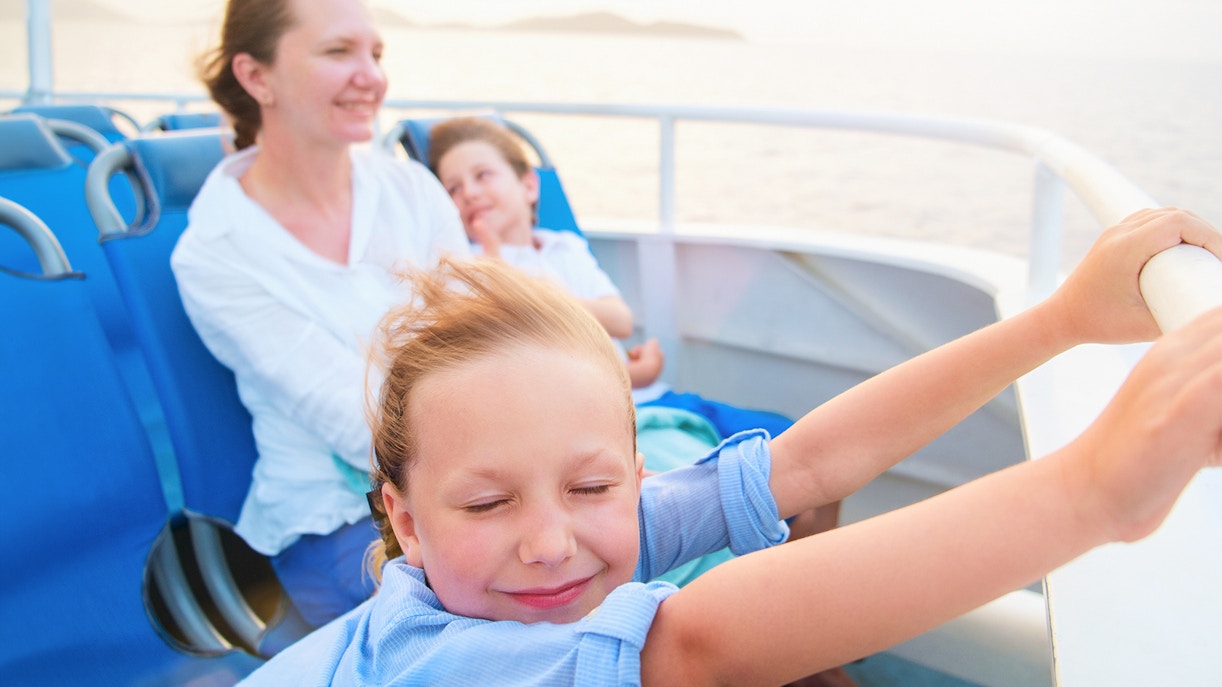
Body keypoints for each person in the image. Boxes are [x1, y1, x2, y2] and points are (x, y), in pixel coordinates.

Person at [236, 207, 1222, 686]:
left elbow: (802, 466)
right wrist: (1094, 488)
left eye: (590, 486)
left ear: (630, 475)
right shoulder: (427, 659)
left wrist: (1057, 322)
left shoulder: (557, 548)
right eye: (487, 504)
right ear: (404, 521)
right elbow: (697, 643)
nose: (548, 543)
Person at [170, 0, 469, 627]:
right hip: (344, 524)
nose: (371, 76)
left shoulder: (411, 191)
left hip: (474, 479)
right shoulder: (216, 252)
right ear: (256, 77)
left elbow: (478, 344)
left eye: (376, 54)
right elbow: (359, 423)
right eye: (338, 52)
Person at [428, 116, 840, 550]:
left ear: (529, 187)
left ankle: (819, 591)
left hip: (648, 392)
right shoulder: (470, 273)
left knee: (815, 453)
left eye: (482, 175)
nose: (469, 192)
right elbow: (526, 378)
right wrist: (502, 276)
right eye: (452, 188)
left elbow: (620, 320)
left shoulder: (560, 248)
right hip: (603, 414)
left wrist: (628, 370)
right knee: (765, 493)